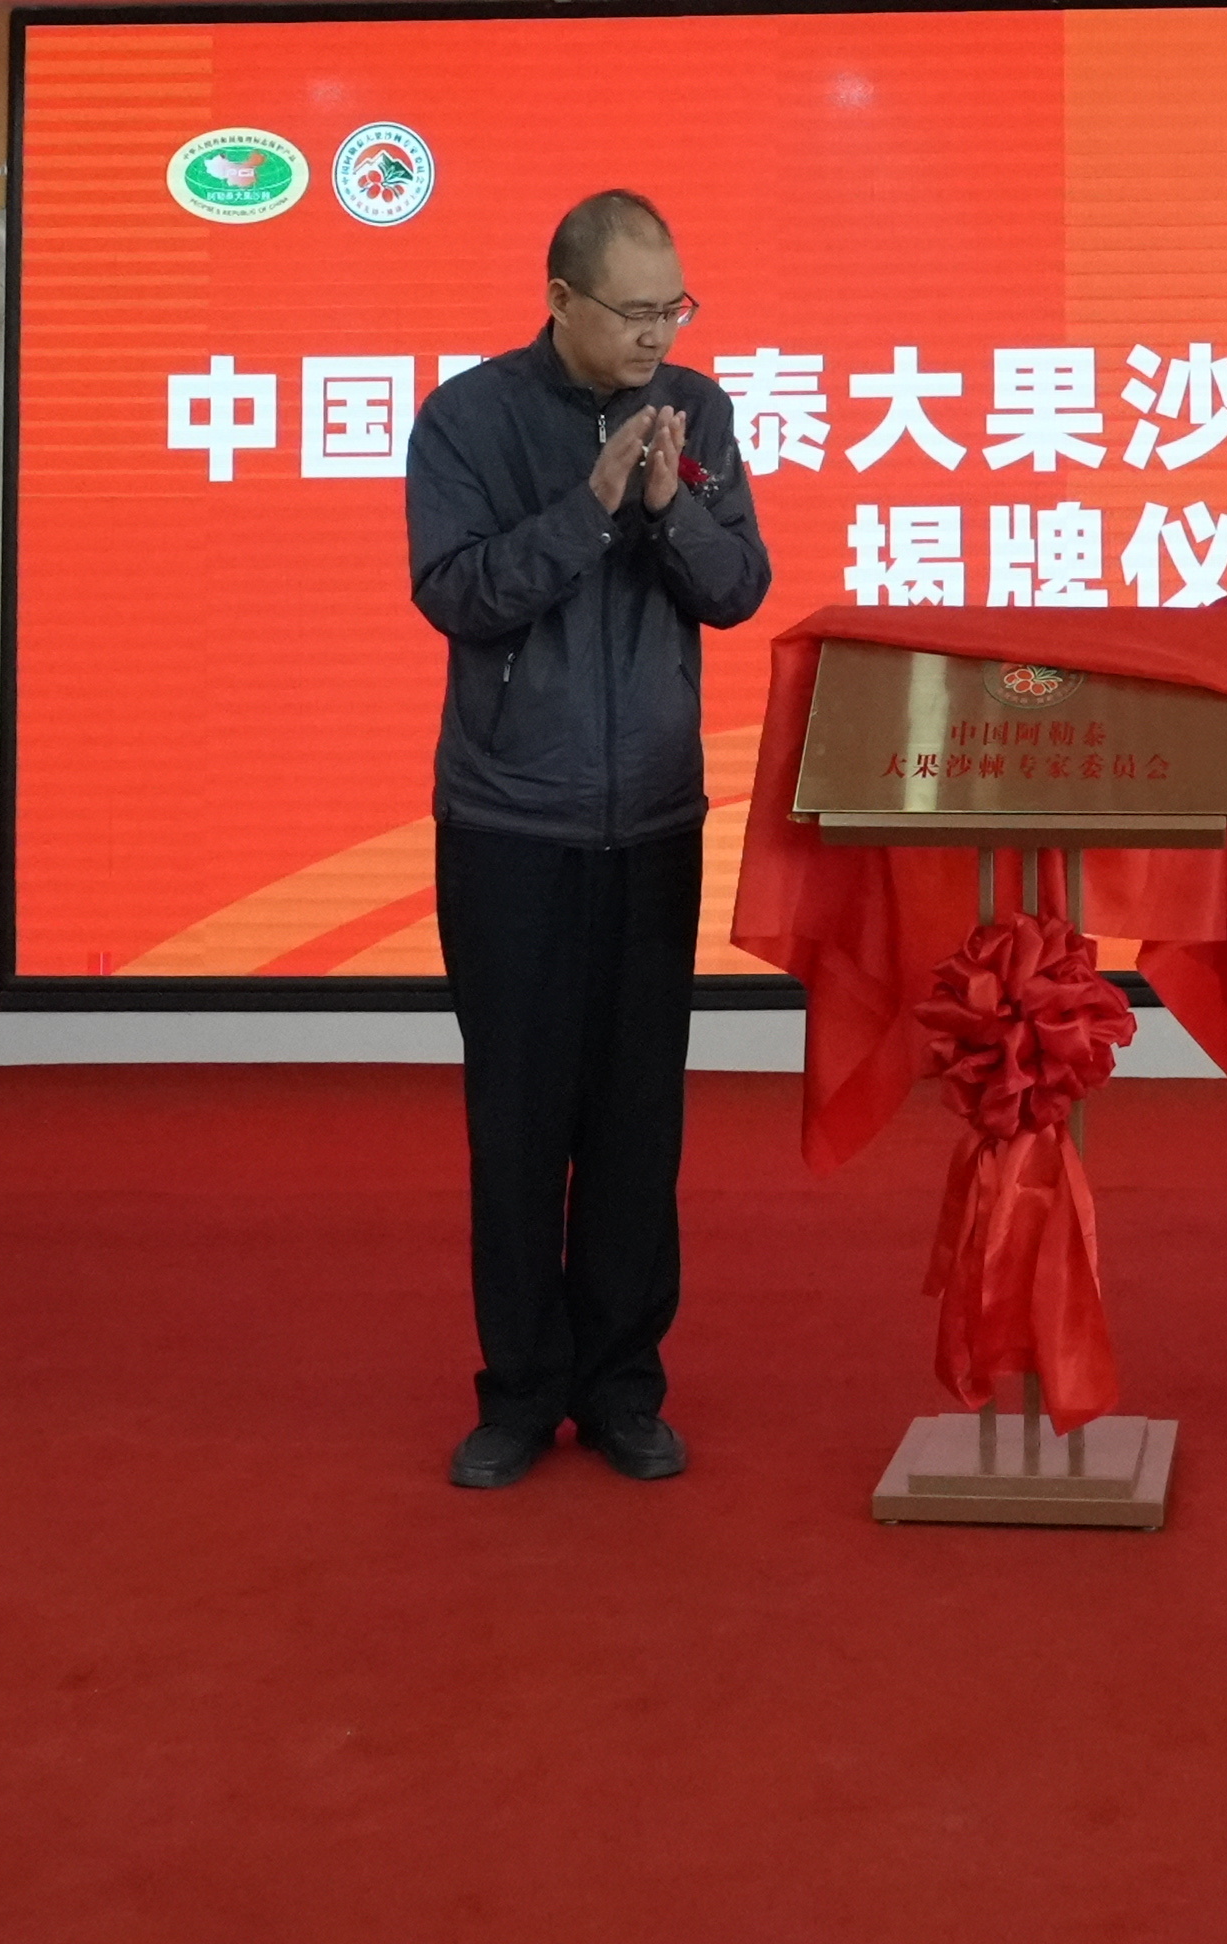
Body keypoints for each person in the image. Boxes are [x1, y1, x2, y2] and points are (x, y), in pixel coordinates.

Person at [407, 189, 771, 1488]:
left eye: (675, 308)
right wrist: (591, 501)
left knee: (636, 1123)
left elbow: (738, 589)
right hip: (510, 824)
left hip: (654, 820)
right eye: (633, 311)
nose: (656, 335)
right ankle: (519, 1392)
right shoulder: (468, 418)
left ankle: (623, 1387)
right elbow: (456, 593)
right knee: (517, 1123)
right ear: (561, 299)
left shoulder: (698, 411)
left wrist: (669, 504)